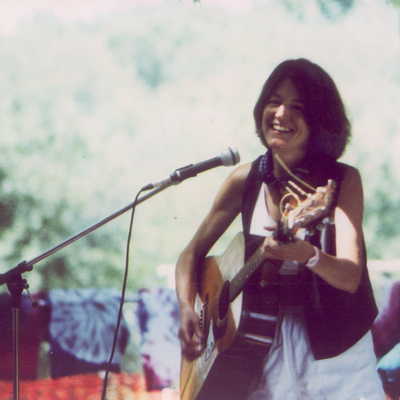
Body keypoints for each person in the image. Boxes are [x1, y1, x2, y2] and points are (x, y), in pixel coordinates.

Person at [175, 58, 385, 399]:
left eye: (297, 106)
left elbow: (349, 277)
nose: (281, 113)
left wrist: (308, 256)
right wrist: (187, 308)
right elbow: (191, 254)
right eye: (274, 101)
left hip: (337, 350)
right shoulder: (244, 180)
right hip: (259, 347)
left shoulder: (342, 181)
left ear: (319, 121)